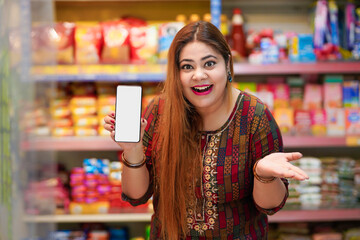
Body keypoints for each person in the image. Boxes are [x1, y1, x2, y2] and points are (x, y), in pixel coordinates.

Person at [104, 21, 309, 240]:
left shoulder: (254, 116)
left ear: (227, 64)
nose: (198, 75)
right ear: (176, 72)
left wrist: (263, 174)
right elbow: (136, 196)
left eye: (209, 64)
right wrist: (133, 149)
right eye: (187, 66)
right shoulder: (160, 112)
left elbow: (270, 205)